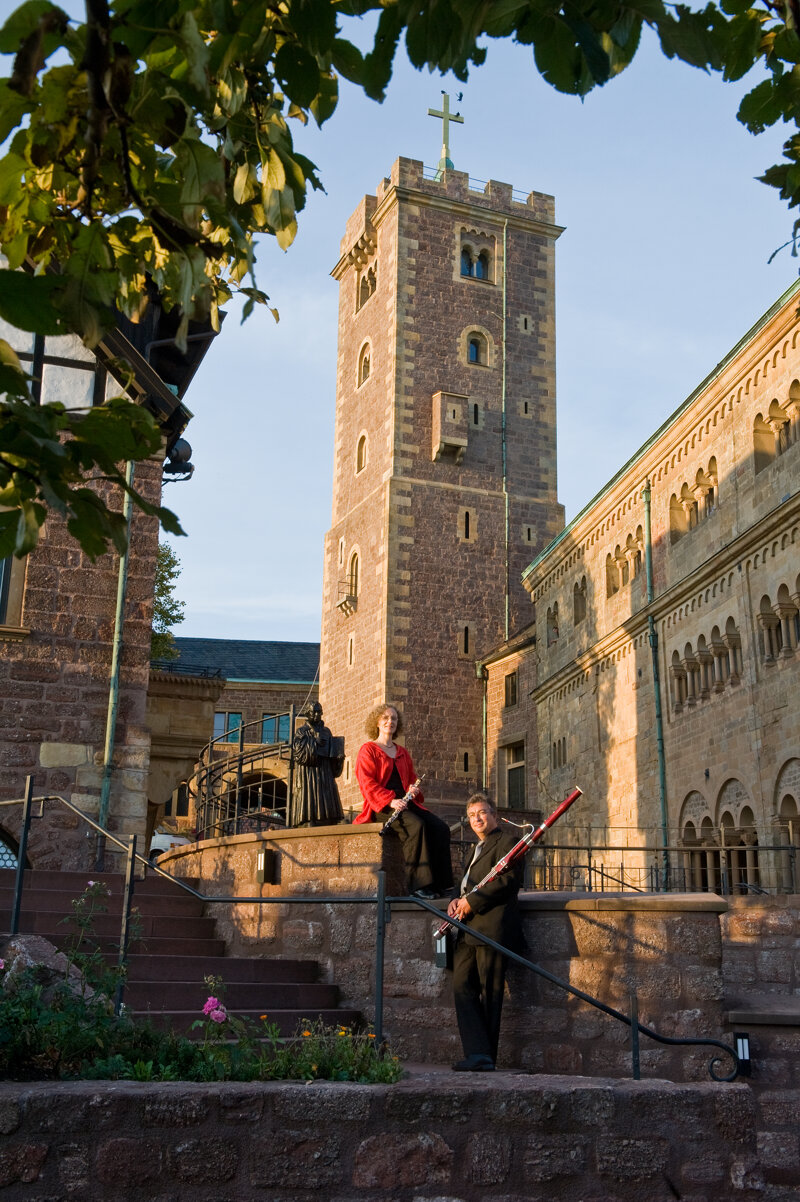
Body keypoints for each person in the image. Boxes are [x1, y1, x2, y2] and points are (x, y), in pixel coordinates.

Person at [447, 792, 524, 1072]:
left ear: (494, 814)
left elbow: (509, 882)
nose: (476, 819)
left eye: (481, 812)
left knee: (491, 994)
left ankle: (484, 1057)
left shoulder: (508, 842)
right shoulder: (474, 848)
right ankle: (478, 1052)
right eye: (471, 816)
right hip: (468, 928)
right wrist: (456, 899)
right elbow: (467, 884)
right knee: (461, 986)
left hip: (491, 928)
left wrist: (472, 902)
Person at [354, 703, 453, 899]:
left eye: (394, 719)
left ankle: (442, 884)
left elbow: (410, 780)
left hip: (406, 803)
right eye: (385, 718)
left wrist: (413, 789)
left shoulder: (402, 752)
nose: (390, 722)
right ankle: (418, 886)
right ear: (377, 722)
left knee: (441, 828)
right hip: (382, 806)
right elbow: (366, 783)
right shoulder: (368, 750)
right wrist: (390, 801)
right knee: (415, 826)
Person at [288, 701, 345, 827]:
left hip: (325, 771)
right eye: (314, 711)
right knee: (310, 796)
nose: (316, 714)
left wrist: (338, 759)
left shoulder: (327, 732)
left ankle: (329, 818)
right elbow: (298, 752)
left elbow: (332, 754)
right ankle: (309, 819)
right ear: (307, 713)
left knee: (326, 793)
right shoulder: (301, 731)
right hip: (309, 773)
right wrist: (314, 742)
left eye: (319, 711)